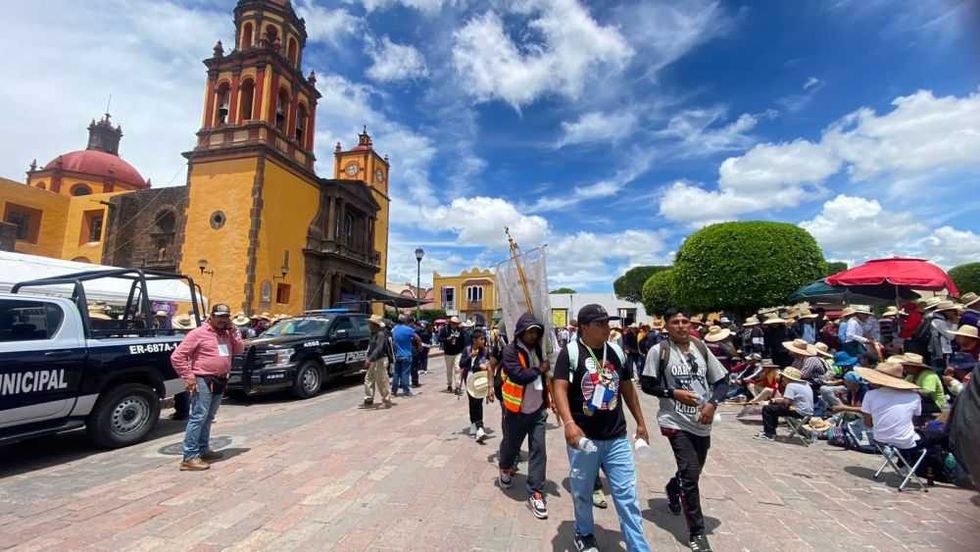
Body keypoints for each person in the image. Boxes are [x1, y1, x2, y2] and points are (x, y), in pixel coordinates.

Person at [553, 304, 651, 552]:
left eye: (608, 323)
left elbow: (627, 388)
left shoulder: (616, 352)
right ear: (584, 327)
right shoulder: (571, 353)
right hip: (584, 438)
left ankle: (638, 546)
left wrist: (641, 422)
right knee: (583, 492)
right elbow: (560, 388)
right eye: (601, 324)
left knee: (627, 496)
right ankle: (584, 534)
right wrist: (569, 423)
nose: (608, 328)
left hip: (616, 436)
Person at [640, 308, 728, 552]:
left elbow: (722, 380)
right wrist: (672, 393)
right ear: (666, 326)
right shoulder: (659, 351)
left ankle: (672, 486)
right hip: (674, 420)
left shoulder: (701, 348)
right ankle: (697, 533)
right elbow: (647, 384)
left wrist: (712, 403)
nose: (680, 325)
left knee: (693, 472)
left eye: (684, 321)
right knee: (690, 474)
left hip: (701, 421)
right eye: (675, 322)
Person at [170, 303, 245, 471]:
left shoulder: (226, 334)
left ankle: (203, 449)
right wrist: (189, 376)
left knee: (209, 416)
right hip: (203, 379)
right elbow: (177, 356)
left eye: (225, 317)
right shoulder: (198, 333)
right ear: (211, 316)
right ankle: (189, 457)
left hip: (220, 379)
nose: (222, 320)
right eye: (219, 316)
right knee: (198, 416)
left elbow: (239, 349)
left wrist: (233, 331)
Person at [497, 312, 551, 520]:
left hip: (537, 410)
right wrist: (540, 369)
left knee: (539, 449)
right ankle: (505, 467)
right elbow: (518, 375)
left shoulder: (539, 349)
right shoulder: (510, 351)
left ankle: (536, 491)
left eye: (538, 332)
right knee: (511, 445)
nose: (535, 336)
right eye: (531, 332)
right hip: (516, 410)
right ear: (521, 332)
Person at [855, 361, 922, 452]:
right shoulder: (914, 396)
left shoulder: (870, 395)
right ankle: (910, 464)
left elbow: (868, 424)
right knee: (934, 438)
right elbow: (915, 420)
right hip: (905, 443)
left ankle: (903, 463)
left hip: (880, 440)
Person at [754, 367, 813, 442]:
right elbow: (790, 400)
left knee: (767, 409)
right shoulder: (806, 385)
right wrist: (775, 400)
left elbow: (786, 403)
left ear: (787, 377)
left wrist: (772, 402)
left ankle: (769, 434)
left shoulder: (791, 385)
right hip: (808, 411)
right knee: (774, 408)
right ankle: (771, 431)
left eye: (783, 377)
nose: (782, 379)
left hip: (799, 411)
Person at [459, 328, 493, 443]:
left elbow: (489, 364)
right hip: (469, 379)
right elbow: (461, 364)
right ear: (474, 340)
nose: (483, 341)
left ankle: (479, 427)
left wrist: (485, 366)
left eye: (484, 339)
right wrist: (470, 356)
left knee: (478, 402)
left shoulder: (486, 351)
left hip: (481, 380)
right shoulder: (467, 350)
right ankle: (474, 423)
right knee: (472, 401)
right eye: (481, 339)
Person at [897, 353, 946, 419]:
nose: (904, 368)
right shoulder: (911, 375)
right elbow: (903, 384)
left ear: (914, 367)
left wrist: (911, 390)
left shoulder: (929, 375)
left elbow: (926, 392)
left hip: (935, 405)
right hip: (921, 403)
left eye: (906, 366)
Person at [363, 315, 392, 408]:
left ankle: (386, 400)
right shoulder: (373, 334)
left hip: (380, 360)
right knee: (368, 379)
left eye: (370, 323)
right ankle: (369, 398)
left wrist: (369, 359)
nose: (368, 325)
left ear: (375, 325)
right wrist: (368, 358)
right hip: (373, 360)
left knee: (382, 381)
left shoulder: (380, 334)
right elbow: (371, 348)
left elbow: (379, 349)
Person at [391, 315, 420, 397]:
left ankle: (394, 391)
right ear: (405, 321)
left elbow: (393, 342)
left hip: (398, 355)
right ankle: (406, 391)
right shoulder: (408, 329)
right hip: (407, 354)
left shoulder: (395, 330)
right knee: (405, 373)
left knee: (396, 373)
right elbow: (417, 338)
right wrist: (420, 346)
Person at [928, 301, 960, 370]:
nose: (954, 312)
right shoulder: (937, 321)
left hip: (944, 351)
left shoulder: (943, 320)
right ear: (945, 311)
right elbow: (951, 336)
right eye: (951, 310)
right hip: (941, 352)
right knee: (940, 370)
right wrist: (955, 323)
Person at [439, 316, 465, 393]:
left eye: (456, 323)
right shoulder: (445, 329)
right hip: (448, 353)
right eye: (453, 323)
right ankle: (449, 384)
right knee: (449, 370)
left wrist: (463, 350)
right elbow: (439, 339)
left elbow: (463, 340)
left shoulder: (459, 330)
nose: (455, 325)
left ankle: (457, 386)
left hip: (458, 352)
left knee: (457, 368)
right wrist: (447, 339)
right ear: (450, 323)